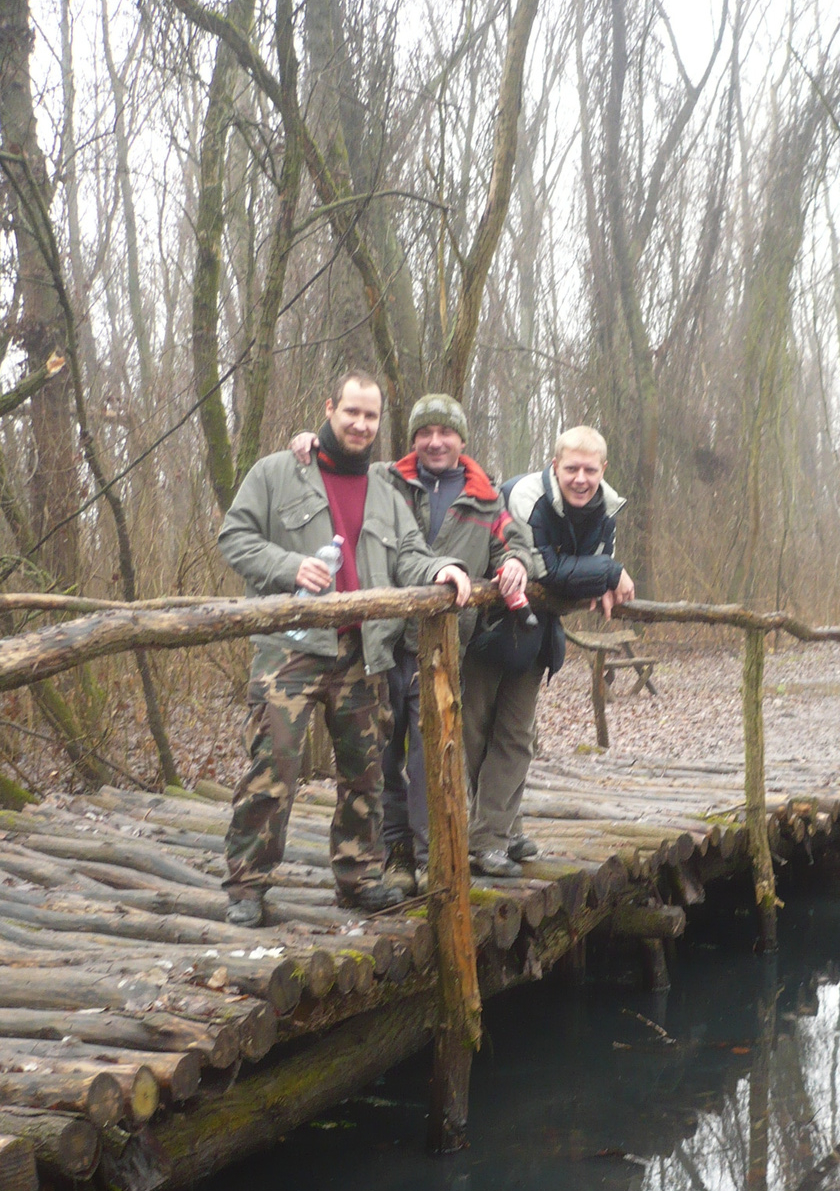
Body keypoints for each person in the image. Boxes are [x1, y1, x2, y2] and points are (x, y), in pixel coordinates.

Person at [218, 373, 471, 928]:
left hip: (365, 648)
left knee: (366, 773)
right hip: (291, 647)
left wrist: (441, 569)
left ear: (380, 423)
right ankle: (247, 885)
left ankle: (358, 877)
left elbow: (408, 552)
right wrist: (289, 568)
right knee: (274, 764)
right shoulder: (279, 472)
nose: (360, 424)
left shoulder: (384, 486)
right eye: (351, 412)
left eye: (371, 417)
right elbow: (234, 538)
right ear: (329, 408)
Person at [289, 393, 533, 887]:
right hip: (380, 639)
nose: (435, 441)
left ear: (461, 439)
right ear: (413, 439)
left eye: (445, 433)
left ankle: (432, 853)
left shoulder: (486, 498)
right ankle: (395, 844)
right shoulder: (384, 480)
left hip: (443, 649)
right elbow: (334, 468)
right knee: (380, 749)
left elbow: (516, 542)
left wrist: (515, 564)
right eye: (425, 432)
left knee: (433, 751)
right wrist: (313, 440)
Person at [470, 426, 635, 871]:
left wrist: (600, 579)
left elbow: (578, 580)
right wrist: (607, 570)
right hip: (486, 628)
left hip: (536, 634)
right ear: (554, 464)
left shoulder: (607, 508)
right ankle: (478, 834)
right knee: (471, 734)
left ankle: (494, 835)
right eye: (571, 469)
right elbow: (542, 568)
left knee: (516, 737)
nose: (580, 479)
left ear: (603, 468)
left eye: (589, 469)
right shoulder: (525, 496)